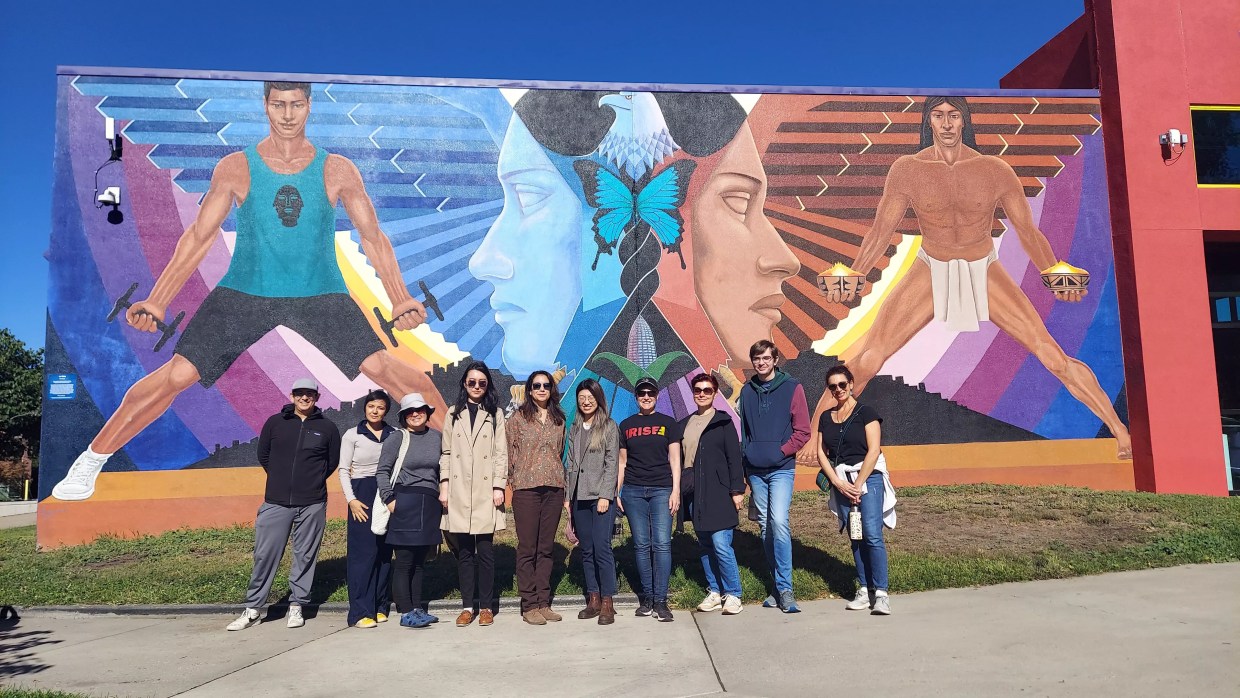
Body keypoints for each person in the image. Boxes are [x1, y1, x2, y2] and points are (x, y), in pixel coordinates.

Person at [52, 80, 446, 503]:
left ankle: (458, 452)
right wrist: (158, 300)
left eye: (296, 104)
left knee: (384, 368)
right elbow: (200, 235)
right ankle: (90, 461)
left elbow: (372, 235)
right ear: (266, 106)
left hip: (319, 293)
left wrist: (400, 296)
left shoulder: (337, 169)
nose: (288, 114)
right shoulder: (237, 167)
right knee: (178, 374)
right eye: (279, 104)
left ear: (309, 106)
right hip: (245, 291)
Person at [825, 95, 1131, 460]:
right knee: (870, 358)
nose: (947, 124)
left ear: (965, 121)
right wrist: (857, 271)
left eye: (954, 116)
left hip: (982, 266)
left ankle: (1119, 430)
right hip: (931, 266)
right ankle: (815, 437)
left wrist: (1052, 269)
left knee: (1052, 356)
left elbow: (1027, 231)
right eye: (938, 116)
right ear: (929, 123)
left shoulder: (994, 169)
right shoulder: (908, 169)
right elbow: (880, 231)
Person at [226, 378, 340, 631]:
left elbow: (331, 462)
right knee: (265, 555)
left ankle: (297, 606)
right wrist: (280, 479)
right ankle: (253, 608)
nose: (304, 398)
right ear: (291, 396)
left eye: (309, 394)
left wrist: (311, 481)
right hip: (276, 502)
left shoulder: (328, 427)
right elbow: (263, 455)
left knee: (305, 556)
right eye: (300, 393)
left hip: (312, 503)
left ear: (317, 397)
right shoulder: (275, 423)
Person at [816, 365, 896, 615]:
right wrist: (838, 483)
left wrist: (858, 483)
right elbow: (820, 452)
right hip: (841, 480)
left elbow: (874, 449)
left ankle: (881, 593)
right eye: (833, 386)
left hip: (868, 479)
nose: (838, 390)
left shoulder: (866, 412)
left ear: (851, 384)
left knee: (872, 533)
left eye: (842, 384)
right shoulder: (826, 417)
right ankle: (864, 589)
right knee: (855, 534)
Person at [738, 339, 810, 613]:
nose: (762, 363)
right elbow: (744, 432)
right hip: (755, 471)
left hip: (781, 469)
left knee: (779, 521)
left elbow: (803, 431)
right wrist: (748, 459)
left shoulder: (792, 388)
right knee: (766, 526)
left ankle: (786, 589)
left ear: (776, 359)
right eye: (757, 359)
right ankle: (776, 586)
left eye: (767, 358)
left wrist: (781, 452)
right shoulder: (746, 391)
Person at [439, 361, 508, 627]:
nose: (477, 387)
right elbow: (446, 453)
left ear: (487, 385)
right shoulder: (452, 413)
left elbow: (500, 453)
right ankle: (468, 606)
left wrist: (498, 485)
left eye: (482, 382)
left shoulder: (495, 414)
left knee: (486, 551)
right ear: (464, 384)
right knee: (465, 552)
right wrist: (444, 485)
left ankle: (487, 607)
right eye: (472, 382)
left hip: (485, 489)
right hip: (457, 490)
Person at [617, 376, 682, 622]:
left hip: (661, 490)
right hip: (633, 491)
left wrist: (675, 490)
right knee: (642, 545)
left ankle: (661, 601)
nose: (646, 397)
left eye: (650, 393)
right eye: (642, 393)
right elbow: (622, 462)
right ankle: (647, 598)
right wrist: (617, 492)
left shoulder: (668, 424)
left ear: (657, 396)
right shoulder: (626, 425)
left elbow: (675, 459)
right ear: (636, 397)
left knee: (662, 543)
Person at [680, 374, 746, 616]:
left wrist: (737, 490)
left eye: (707, 390)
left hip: (719, 491)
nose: (702, 394)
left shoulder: (723, 422)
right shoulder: (685, 423)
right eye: (698, 390)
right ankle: (716, 592)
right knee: (705, 544)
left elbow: (734, 458)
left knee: (721, 544)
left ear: (715, 393)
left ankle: (734, 594)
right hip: (694, 493)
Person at [507, 371, 568, 625]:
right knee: (527, 548)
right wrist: (513, 481)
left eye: (546, 385)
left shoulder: (559, 419)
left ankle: (544, 601)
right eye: (536, 385)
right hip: (527, 489)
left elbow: (560, 451)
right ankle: (529, 603)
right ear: (529, 391)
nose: (542, 389)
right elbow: (510, 452)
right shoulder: (518, 418)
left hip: (554, 487)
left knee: (546, 548)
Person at [378, 393, 444, 629]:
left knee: (419, 561)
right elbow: (382, 471)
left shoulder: (437, 437)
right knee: (405, 560)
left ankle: (418, 608)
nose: (415, 414)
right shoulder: (397, 438)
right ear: (404, 416)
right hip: (404, 500)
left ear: (427, 412)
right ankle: (405, 611)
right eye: (410, 411)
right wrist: (390, 499)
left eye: (420, 410)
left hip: (430, 503)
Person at [563, 379, 620, 625]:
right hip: (578, 497)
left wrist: (606, 495)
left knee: (602, 548)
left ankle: (608, 601)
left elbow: (612, 464)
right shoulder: (575, 427)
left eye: (591, 397)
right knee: (586, 549)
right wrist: (568, 497)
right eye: (582, 397)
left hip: (600, 497)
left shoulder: (608, 426)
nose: (586, 402)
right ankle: (593, 598)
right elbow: (571, 464)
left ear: (598, 399)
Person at [339, 389, 396, 629]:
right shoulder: (352, 435)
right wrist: (351, 500)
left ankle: (380, 606)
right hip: (361, 493)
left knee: (384, 552)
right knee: (363, 554)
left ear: (386, 411)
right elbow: (343, 470)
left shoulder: (394, 434)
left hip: (387, 493)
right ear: (365, 408)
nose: (375, 411)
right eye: (371, 406)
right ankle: (360, 611)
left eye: (380, 407)